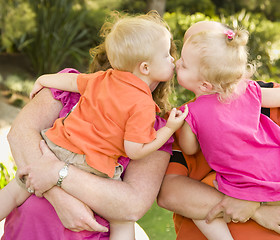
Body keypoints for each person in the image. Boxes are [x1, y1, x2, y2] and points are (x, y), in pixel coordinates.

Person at [157, 21, 280, 240]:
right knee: (205, 193)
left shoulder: (274, 98)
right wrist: (256, 210)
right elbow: (170, 194)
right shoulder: (185, 117)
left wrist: (252, 200)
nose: (177, 62)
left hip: (272, 219)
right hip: (246, 189)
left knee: (210, 189)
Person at [1, 11, 175, 240]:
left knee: (18, 187)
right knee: (122, 223)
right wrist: (59, 195)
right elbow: (20, 134)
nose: (174, 60)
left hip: (57, 152)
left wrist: (54, 172)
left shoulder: (98, 84)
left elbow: (132, 204)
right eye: (167, 55)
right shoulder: (144, 113)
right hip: (32, 228)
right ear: (145, 66)